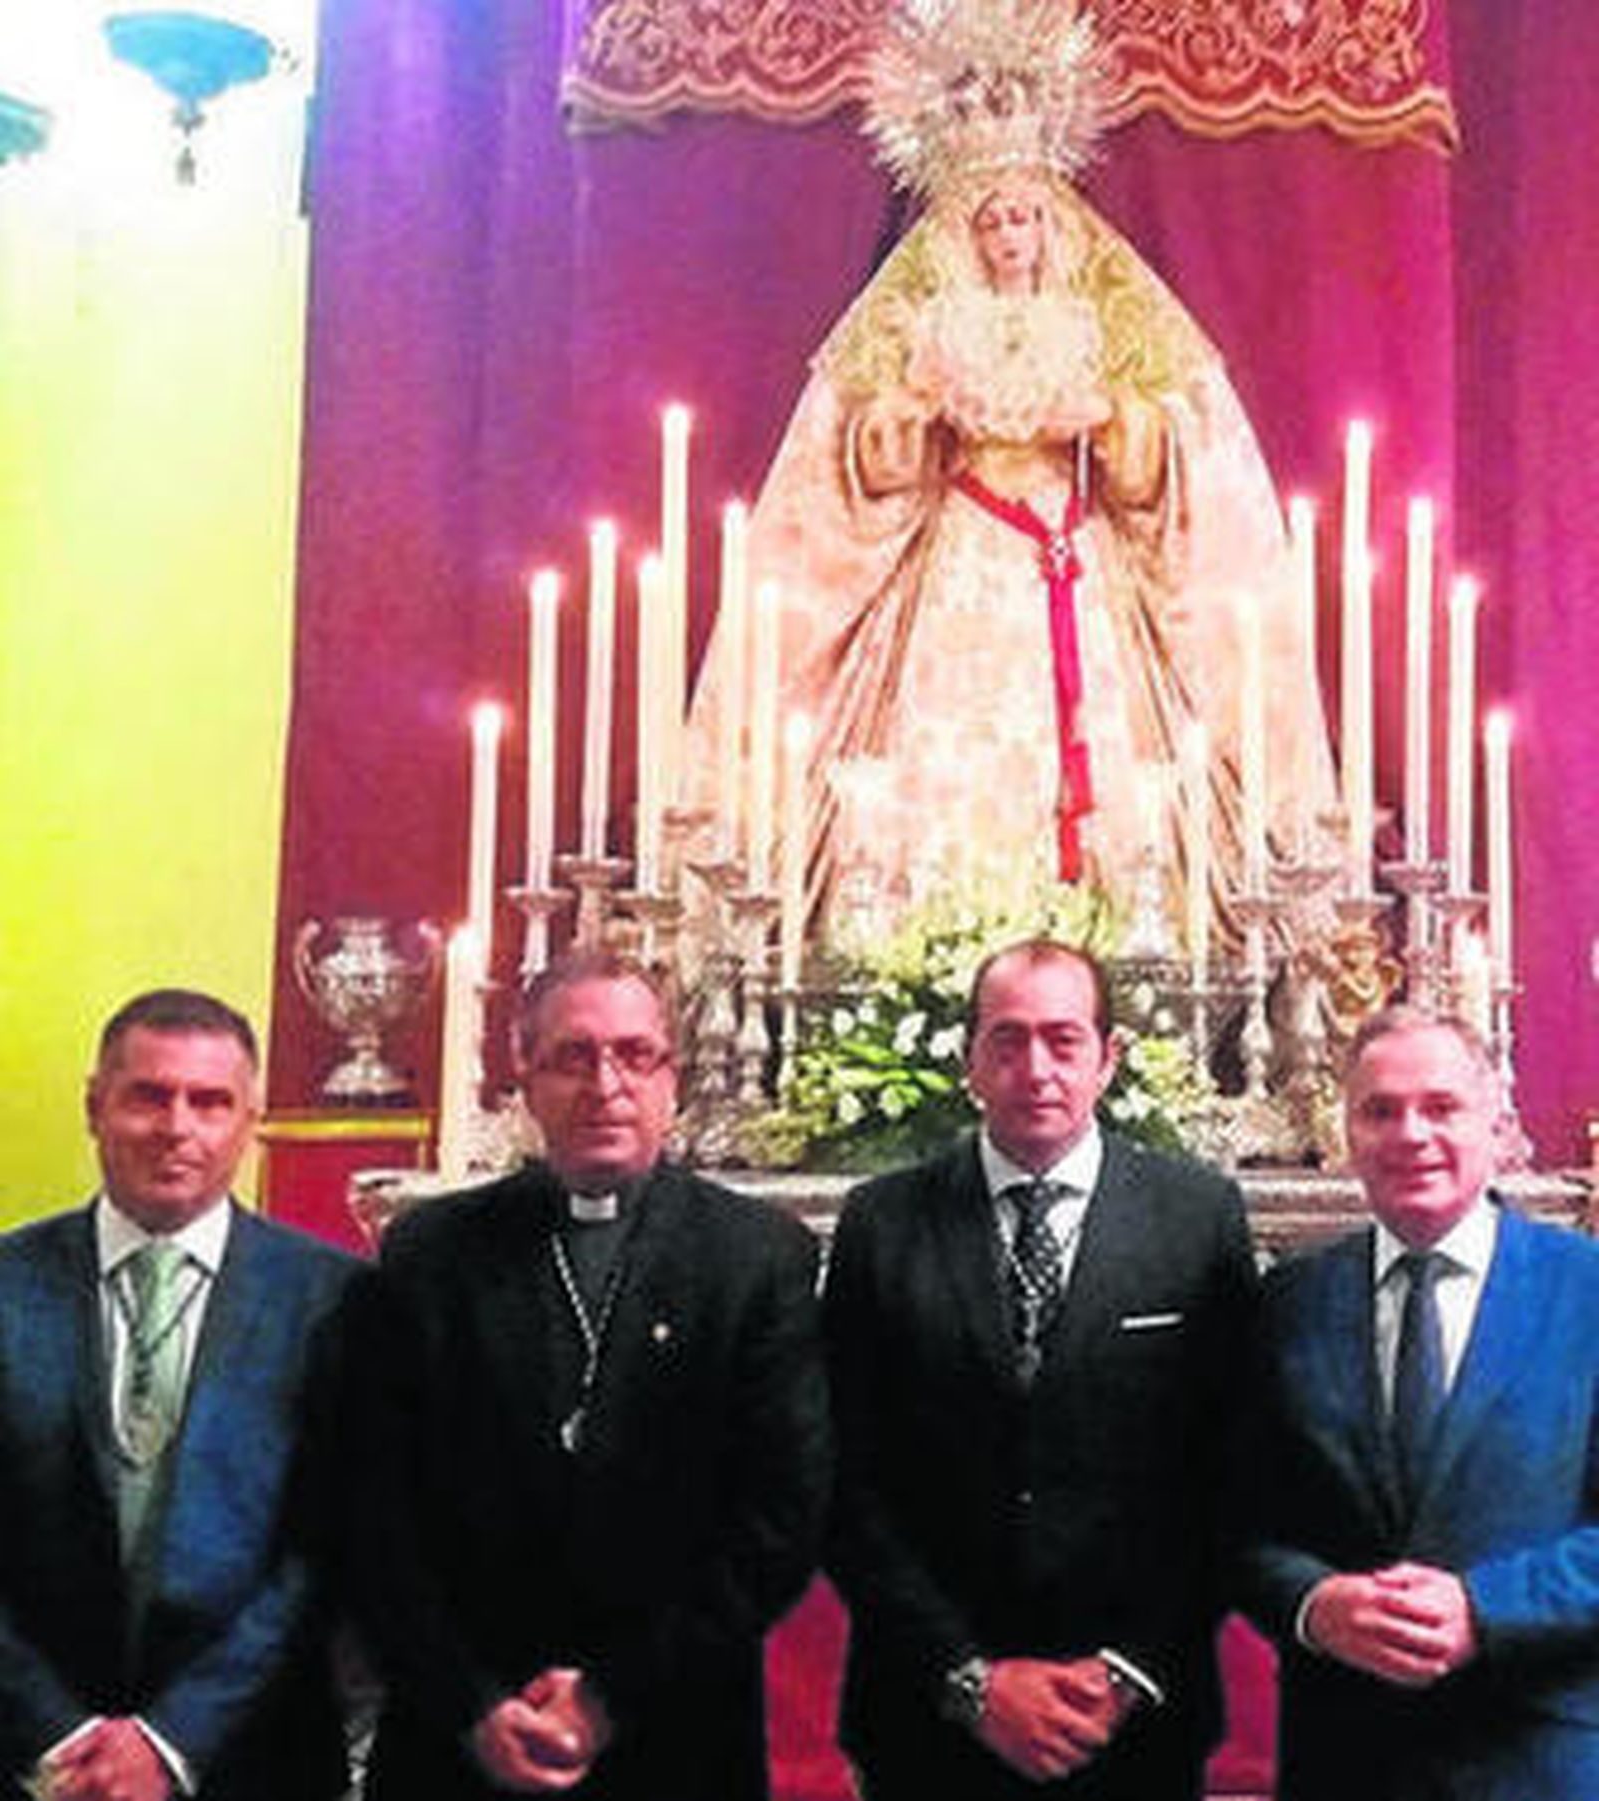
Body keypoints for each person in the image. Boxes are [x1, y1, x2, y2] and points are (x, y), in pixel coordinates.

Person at [682, 0, 1336, 950]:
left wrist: (1114, 423)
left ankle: (1109, 941)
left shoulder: (1097, 318)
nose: (1011, 237)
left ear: (1053, 224)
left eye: (1027, 218)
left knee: (1102, 758)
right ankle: (928, 945)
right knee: (944, 750)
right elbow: (863, 463)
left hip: (1075, 552)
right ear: (964, 232)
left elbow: (1173, 465)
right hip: (965, 551)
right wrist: (909, 422)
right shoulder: (925, 321)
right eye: (993, 222)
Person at [338, 950, 831, 1800]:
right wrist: (473, 1702)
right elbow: (374, 1506)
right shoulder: (432, 1253)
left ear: (672, 1077)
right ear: (524, 1078)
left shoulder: (756, 1256)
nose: (607, 1083)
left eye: (636, 1054)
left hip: (676, 1728)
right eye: (574, 1056)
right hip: (459, 1735)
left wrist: (609, 1697)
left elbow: (781, 1515)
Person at [824, 939, 1258, 1799]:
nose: (1037, 1068)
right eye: (1008, 1040)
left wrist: (1128, 1668)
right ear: (970, 1060)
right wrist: (966, 1676)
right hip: (927, 1712)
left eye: (1064, 1040)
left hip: (1132, 1717)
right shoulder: (884, 1221)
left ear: (1109, 1058)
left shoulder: (1196, 1218)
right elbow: (843, 1475)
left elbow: (1232, 1466)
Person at [0, 989, 354, 1801]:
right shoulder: (6, 1284)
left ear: (251, 1119)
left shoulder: (333, 1300)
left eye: (211, 1101)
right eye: (148, 1095)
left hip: (253, 1758)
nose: (177, 1127)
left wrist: (169, 1741)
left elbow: (327, 1544)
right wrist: (61, 1735)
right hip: (29, 1761)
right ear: (95, 1106)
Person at [1240, 1006, 1599, 1799]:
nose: (1411, 1133)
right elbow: (1232, 1518)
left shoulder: (1589, 1290)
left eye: (1441, 1106)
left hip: (1538, 1761)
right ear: (1347, 1132)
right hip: (1346, 1762)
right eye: (1380, 1110)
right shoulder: (1286, 1302)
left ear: (1497, 1124)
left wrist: (1484, 1607)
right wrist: (1312, 1603)